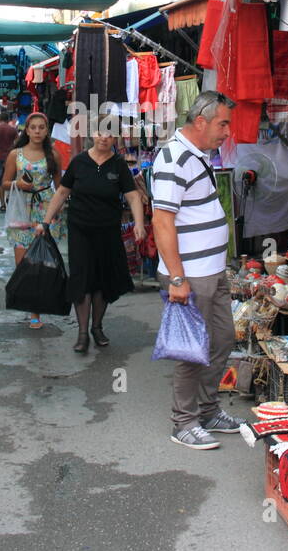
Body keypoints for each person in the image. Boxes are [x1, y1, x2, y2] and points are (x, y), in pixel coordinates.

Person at [151, 91, 245, 450]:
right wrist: (177, 277)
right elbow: (162, 221)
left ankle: (207, 410)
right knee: (192, 348)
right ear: (201, 122)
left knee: (221, 339)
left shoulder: (197, 155)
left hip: (211, 269)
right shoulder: (173, 158)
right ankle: (184, 422)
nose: (227, 132)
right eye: (223, 124)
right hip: (189, 274)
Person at [36, 111, 145, 354]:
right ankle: (83, 332)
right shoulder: (79, 162)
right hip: (80, 230)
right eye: (99, 132)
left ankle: (97, 327)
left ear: (115, 138)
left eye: (109, 134)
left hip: (108, 232)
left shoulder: (118, 165)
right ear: (92, 135)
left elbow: (133, 196)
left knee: (102, 281)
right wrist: (45, 222)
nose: (104, 138)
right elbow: (62, 193)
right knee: (82, 280)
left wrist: (138, 223)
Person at [3, 112, 64, 329]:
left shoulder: (54, 155)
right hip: (21, 210)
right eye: (33, 127)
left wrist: (59, 211)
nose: (37, 131)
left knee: (40, 262)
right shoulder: (15, 155)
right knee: (23, 263)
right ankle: (27, 302)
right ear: (26, 130)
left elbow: (61, 188)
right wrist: (18, 185)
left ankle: (35, 311)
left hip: (45, 210)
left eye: (41, 127)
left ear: (47, 131)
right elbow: (4, 182)